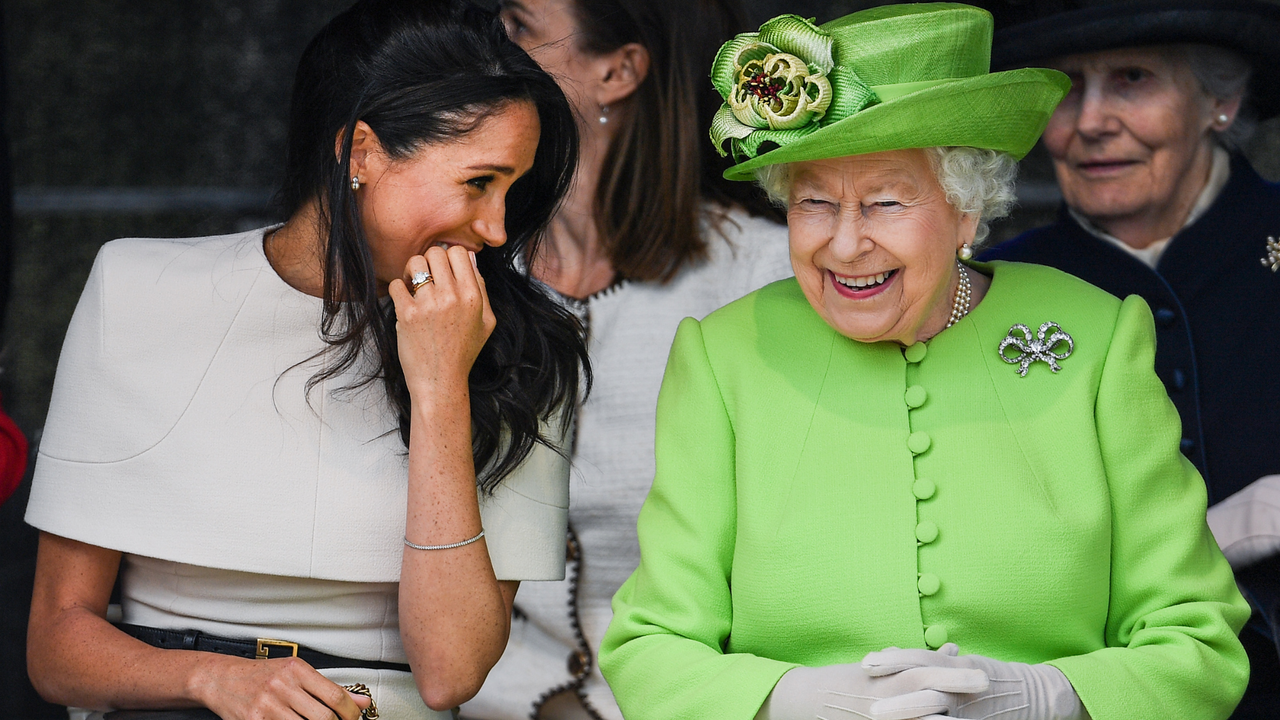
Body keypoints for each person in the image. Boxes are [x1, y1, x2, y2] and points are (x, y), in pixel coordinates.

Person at [599, 5, 1251, 720]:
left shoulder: (1096, 336)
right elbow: (650, 644)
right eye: (815, 202)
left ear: (967, 211)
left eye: (883, 202)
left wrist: (1054, 698)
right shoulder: (725, 356)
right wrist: (786, 700)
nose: (845, 245)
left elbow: (1199, 639)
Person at [24, 1, 587, 718]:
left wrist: (442, 383)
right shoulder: (137, 289)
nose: (498, 227)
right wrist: (209, 679)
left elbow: (450, 672)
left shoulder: (523, 343)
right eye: (478, 182)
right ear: (361, 153)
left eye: (514, 189)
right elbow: (56, 646)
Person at [460, 1, 791, 718]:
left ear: (618, 70)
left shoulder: (763, 278)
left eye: (517, 26)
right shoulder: (470, 266)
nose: (481, 44)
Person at [977, 2, 1280, 715]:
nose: (1090, 122)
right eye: (1065, 88)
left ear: (1221, 101)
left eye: (1133, 79)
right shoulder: (988, 289)